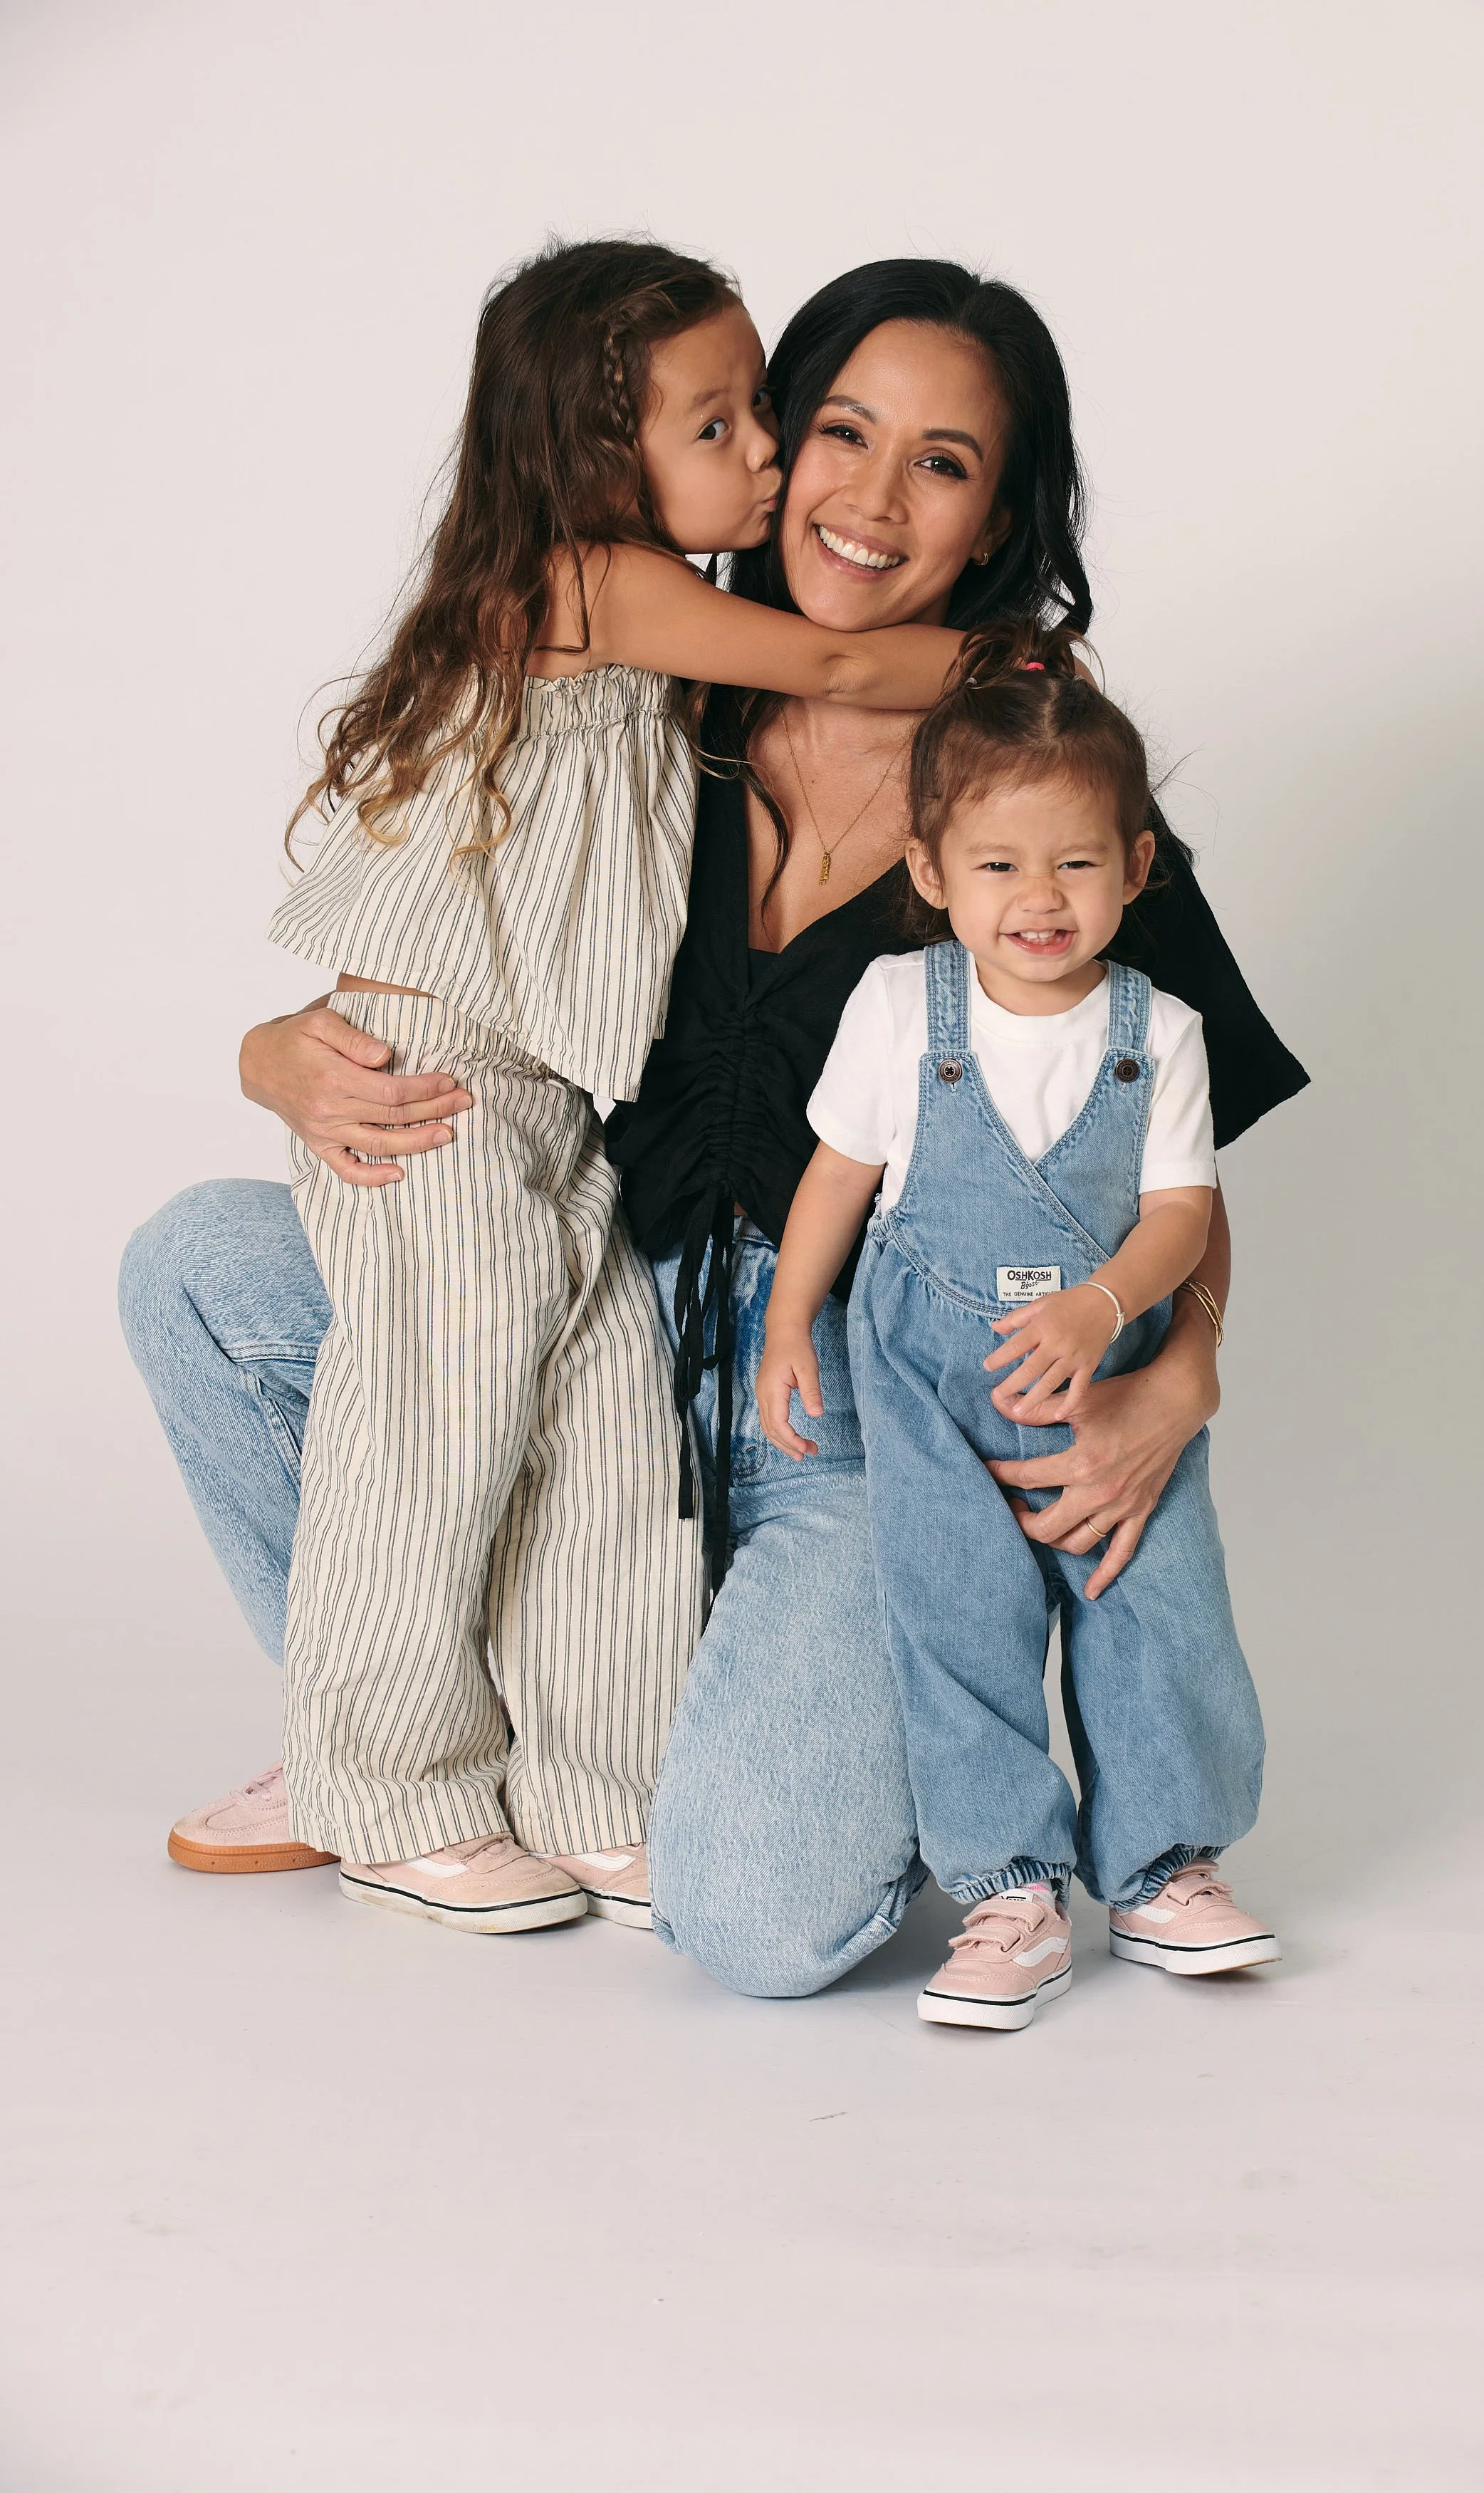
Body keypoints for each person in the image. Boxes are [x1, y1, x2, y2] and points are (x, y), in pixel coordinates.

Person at [120, 258, 1307, 1997]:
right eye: (838, 430)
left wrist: (1184, 1367)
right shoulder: (650, 701)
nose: (871, 498)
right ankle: (380, 1735)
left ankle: (590, 1737)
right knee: (198, 1272)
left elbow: (1168, 1131)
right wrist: (273, 1050)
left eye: (946, 462)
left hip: (844, 1425)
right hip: (587, 1323)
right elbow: (443, 920)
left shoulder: (1036, 800)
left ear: (999, 511)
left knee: (753, 1922)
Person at [164, 236, 966, 1938]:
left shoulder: (683, 653)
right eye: (727, 422)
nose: (763, 456)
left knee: (599, 1434)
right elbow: (827, 665)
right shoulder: (593, 586)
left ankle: (599, 1793)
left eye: (765, 413)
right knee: (438, 1419)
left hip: (556, 1114)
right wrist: (1014, 669)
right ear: (600, 461)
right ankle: (383, 1778)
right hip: (445, 1075)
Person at [757, 645, 1277, 2031]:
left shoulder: (1158, 1031)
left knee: (1152, 1604)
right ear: (930, 870)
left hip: (1105, 1368)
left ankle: (1168, 1864)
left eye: (1074, 866)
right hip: (930, 1378)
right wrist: (789, 1322)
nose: (1037, 901)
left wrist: (1107, 1306)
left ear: (1137, 864)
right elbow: (837, 1175)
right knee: (958, 1619)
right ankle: (1008, 1890)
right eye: (997, 867)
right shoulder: (896, 1006)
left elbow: (1181, 1211)